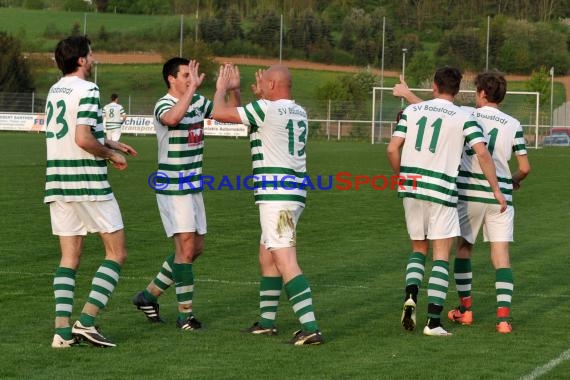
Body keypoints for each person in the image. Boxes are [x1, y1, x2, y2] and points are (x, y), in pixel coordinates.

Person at [393, 72, 531, 334]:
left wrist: (407, 94)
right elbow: (525, 167)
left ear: (480, 93)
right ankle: (503, 319)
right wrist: (510, 182)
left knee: (464, 249)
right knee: (501, 258)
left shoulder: (468, 114)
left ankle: (465, 310)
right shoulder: (514, 124)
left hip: (468, 193)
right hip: (499, 195)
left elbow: (436, 109)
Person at [211, 64, 324, 345]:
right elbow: (250, 122)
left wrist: (222, 89)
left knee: (286, 260)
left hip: (277, 198)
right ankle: (266, 322)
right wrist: (240, 93)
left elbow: (218, 113)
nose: (259, 86)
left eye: (263, 84)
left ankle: (311, 328)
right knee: (267, 257)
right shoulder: (297, 110)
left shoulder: (266, 109)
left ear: (272, 85)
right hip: (291, 193)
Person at [131, 58, 239, 330]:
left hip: (192, 185)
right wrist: (193, 91)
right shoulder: (163, 104)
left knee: (194, 249)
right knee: (187, 248)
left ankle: (148, 296)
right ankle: (185, 316)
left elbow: (230, 114)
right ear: (171, 79)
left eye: (192, 74)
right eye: (185, 74)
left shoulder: (199, 102)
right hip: (172, 185)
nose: (191, 78)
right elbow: (173, 118)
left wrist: (230, 89)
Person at [45, 36, 138, 348]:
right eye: (91, 53)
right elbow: (84, 139)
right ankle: (86, 322)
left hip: (58, 181)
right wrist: (111, 155)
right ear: (82, 60)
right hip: (88, 182)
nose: (94, 57)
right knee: (117, 252)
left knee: (69, 257)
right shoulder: (88, 89)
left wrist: (111, 142)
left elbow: (78, 133)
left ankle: (61, 331)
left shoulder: (55, 89)